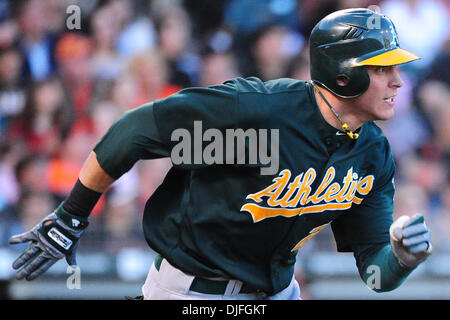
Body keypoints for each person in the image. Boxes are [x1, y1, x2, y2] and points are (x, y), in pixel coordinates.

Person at [9, 8, 432, 300]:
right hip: (192, 290)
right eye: (383, 68)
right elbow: (134, 131)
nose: (398, 80)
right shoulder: (256, 109)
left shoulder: (373, 153)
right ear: (344, 73)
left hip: (277, 290)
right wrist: (71, 215)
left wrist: (400, 257)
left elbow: (374, 275)